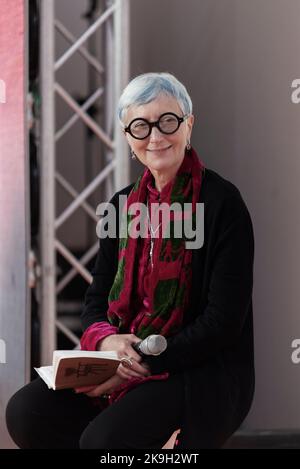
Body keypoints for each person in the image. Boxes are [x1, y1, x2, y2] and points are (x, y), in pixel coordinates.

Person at [6, 72, 255, 449]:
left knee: (104, 442)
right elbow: (96, 302)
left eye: (168, 121)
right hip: (124, 364)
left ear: (189, 124)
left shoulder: (223, 204)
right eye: (140, 126)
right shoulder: (120, 207)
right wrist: (107, 344)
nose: (155, 136)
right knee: (26, 411)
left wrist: (145, 361)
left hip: (198, 370)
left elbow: (222, 323)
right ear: (127, 138)